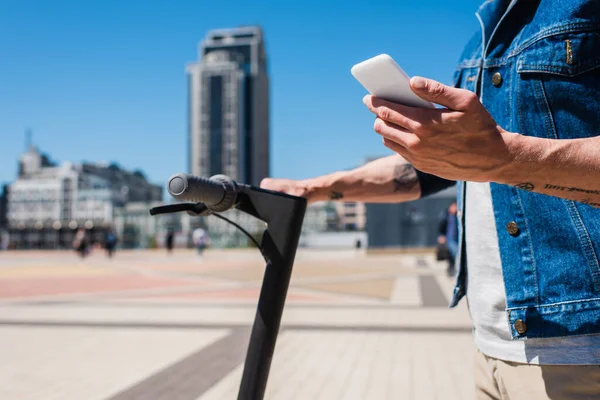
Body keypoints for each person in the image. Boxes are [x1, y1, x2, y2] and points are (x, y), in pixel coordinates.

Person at [261, 1, 600, 397]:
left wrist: (504, 160)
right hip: (491, 343)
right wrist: (313, 189)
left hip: (581, 348)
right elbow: (442, 169)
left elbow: (496, 156)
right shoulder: (482, 36)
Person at [438, 201, 459, 276]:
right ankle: (452, 268)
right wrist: (441, 235)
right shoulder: (446, 214)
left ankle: (452, 267)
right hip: (449, 237)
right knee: (453, 252)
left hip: (457, 237)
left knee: (454, 253)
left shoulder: (458, 215)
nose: (455, 208)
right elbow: (441, 225)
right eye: (454, 206)